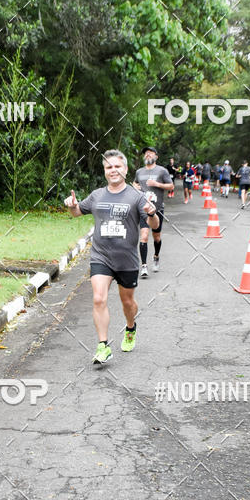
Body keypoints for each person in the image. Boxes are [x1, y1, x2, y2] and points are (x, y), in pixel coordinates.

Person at [64, 150, 159, 364]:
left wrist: (152, 214)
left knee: (128, 303)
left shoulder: (137, 197)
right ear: (105, 171)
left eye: (117, 166)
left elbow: (155, 225)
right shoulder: (97, 195)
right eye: (109, 167)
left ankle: (131, 327)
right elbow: (78, 211)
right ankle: (103, 346)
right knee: (99, 298)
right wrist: (71, 206)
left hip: (126, 260)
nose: (113, 170)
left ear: (125, 170)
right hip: (101, 257)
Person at [133, 146, 173, 277]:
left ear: (156, 156)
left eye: (150, 153)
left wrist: (157, 184)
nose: (148, 155)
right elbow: (135, 184)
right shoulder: (139, 172)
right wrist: (134, 187)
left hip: (157, 209)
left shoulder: (162, 171)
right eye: (146, 154)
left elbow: (171, 186)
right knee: (144, 236)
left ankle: (156, 256)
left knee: (156, 237)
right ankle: (144, 266)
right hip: (143, 208)